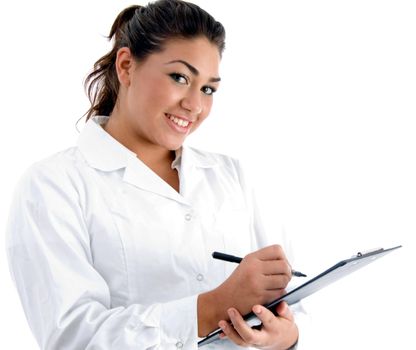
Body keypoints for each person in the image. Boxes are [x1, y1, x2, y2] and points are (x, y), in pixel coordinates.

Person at [5, 1, 301, 349]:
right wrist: (208, 308)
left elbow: (296, 302)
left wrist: (287, 336)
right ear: (127, 66)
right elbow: (72, 337)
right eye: (179, 78)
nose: (195, 105)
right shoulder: (52, 186)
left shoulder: (232, 176)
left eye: (208, 89)